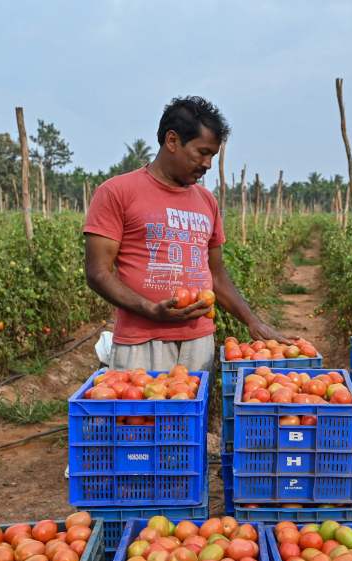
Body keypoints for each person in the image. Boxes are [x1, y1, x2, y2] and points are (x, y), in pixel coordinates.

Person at [84, 96, 287, 372]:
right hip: (142, 343)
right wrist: (150, 309)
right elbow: (98, 273)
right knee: (141, 414)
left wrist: (252, 320)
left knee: (191, 413)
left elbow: (216, 274)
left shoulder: (207, 201)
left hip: (198, 341)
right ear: (172, 141)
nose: (208, 164)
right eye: (202, 152)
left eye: (212, 156)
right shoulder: (116, 192)